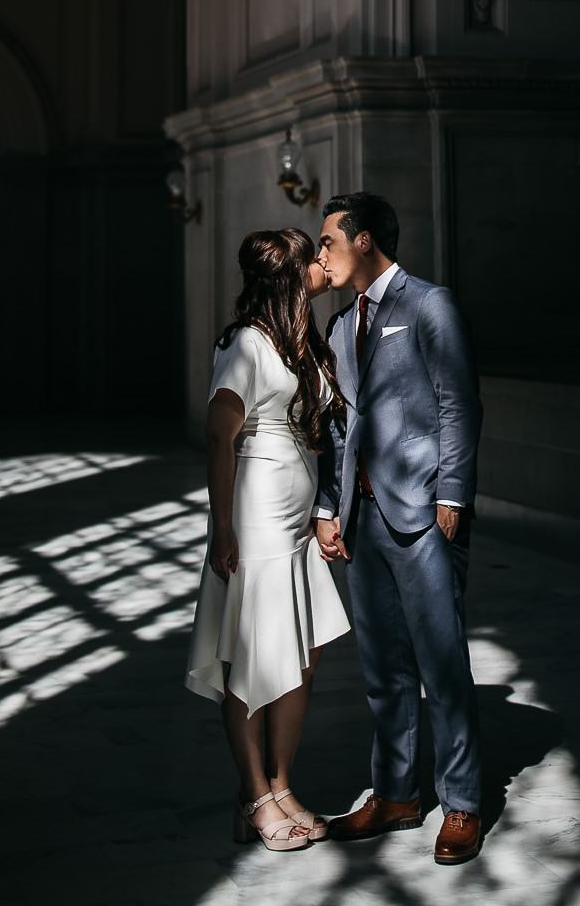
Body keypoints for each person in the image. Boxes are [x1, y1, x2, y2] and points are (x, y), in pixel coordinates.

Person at [314, 192, 485, 865]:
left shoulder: (428, 305)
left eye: (328, 240)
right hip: (362, 521)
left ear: (362, 241)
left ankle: (464, 803)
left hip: (422, 517)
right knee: (383, 670)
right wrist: (329, 507)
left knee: (442, 665)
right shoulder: (338, 325)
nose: (321, 252)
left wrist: (453, 495)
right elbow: (335, 427)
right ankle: (396, 794)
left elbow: (459, 404)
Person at [185, 227, 351, 852]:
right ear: (287, 277)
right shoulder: (247, 346)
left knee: (300, 656)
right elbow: (217, 436)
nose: (320, 263)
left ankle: (281, 785)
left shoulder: (298, 340)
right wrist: (221, 526)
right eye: (311, 257)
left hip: (296, 522)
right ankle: (253, 793)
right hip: (254, 521)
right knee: (251, 655)